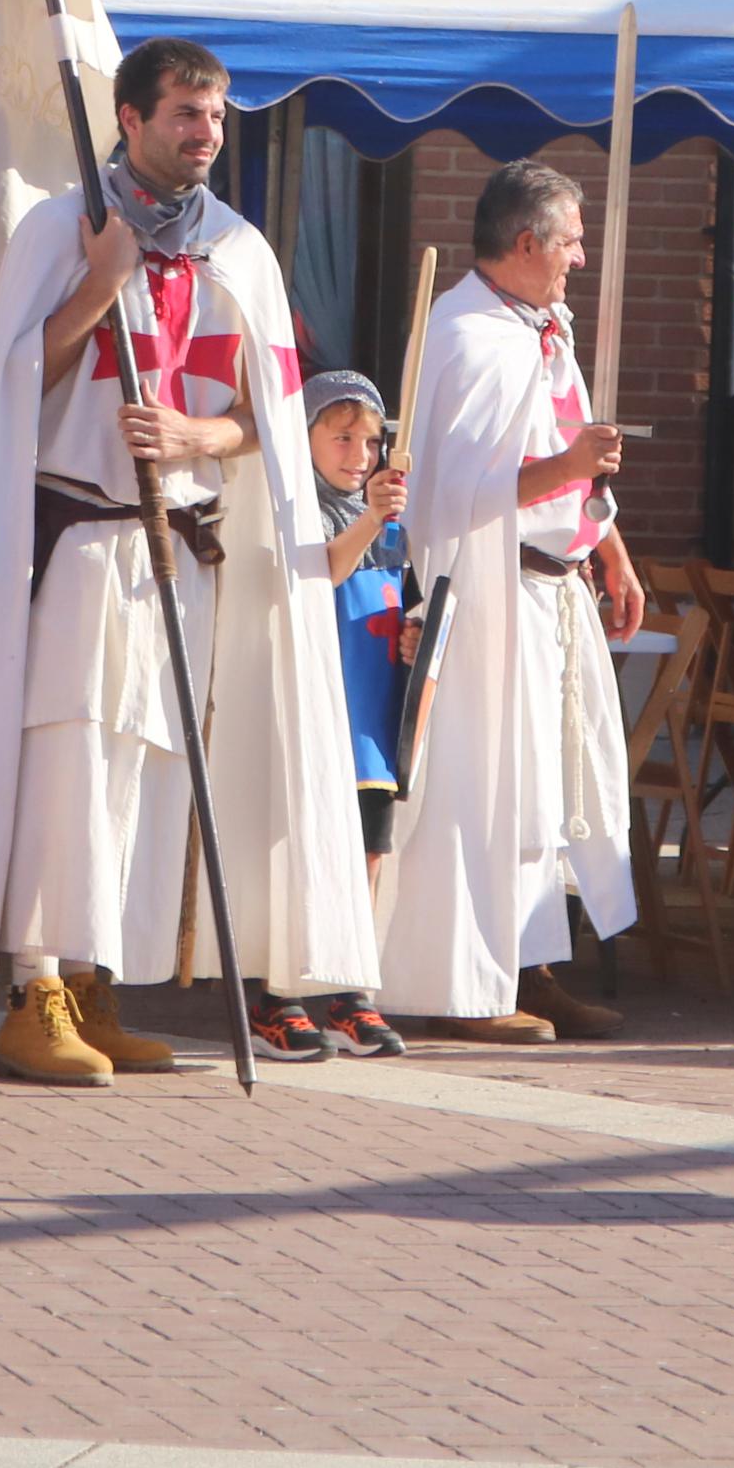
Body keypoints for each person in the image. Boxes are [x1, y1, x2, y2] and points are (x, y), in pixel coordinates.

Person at [0, 37, 375, 1083]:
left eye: (218, 115)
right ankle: (35, 988)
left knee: (144, 781)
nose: (206, 133)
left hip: (183, 553)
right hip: (87, 547)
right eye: (186, 114)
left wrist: (203, 441)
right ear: (132, 120)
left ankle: (97, 983)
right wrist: (100, 284)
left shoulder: (238, 249)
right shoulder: (62, 229)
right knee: (69, 762)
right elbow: (17, 378)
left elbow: (271, 419)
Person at [372, 159, 649, 1046]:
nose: (579, 256)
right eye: (569, 240)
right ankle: (463, 981)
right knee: (481, 787)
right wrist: (569, 471)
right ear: (525, 243)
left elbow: (568, 443)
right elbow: (451, 487)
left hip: (552, 591)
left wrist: (609, 545)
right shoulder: (465, 336)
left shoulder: (540, 326)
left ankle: (531, 966)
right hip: (491, 591)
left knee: (544, 790)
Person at [288, 369, 408, 1059]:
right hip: (321, 705)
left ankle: (350, 987)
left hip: (373, 712)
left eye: (369, 439)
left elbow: (397, 593)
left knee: (367, 850)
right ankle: (289, 981)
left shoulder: (392, 519)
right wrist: (370, 516)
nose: (358, 453)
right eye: (340, 436)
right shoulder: (298, 508)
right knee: (311, 848)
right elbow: (324, 570)